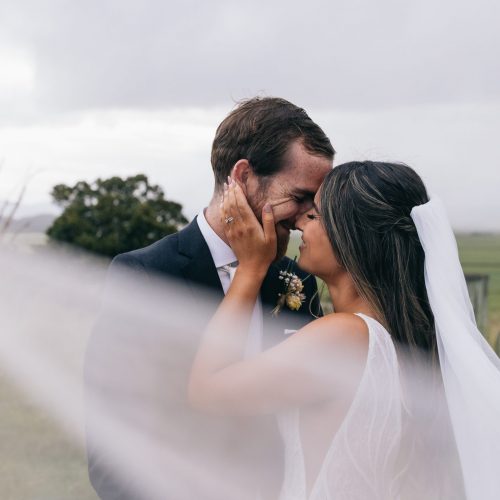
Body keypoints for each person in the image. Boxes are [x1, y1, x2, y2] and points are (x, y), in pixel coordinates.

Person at [189, 161, 500, 499]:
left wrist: (250, 268)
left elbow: (207, 391)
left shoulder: (346, 337)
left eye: (316, 215)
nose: (299, 222)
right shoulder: (401, 337)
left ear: (351, 236)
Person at [85, 97, 335, 500]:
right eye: (300, 196)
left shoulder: (297, 280)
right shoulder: (146, 276)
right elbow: (111, 450)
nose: (307, 217)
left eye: (315, 203)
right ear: (242, 176)